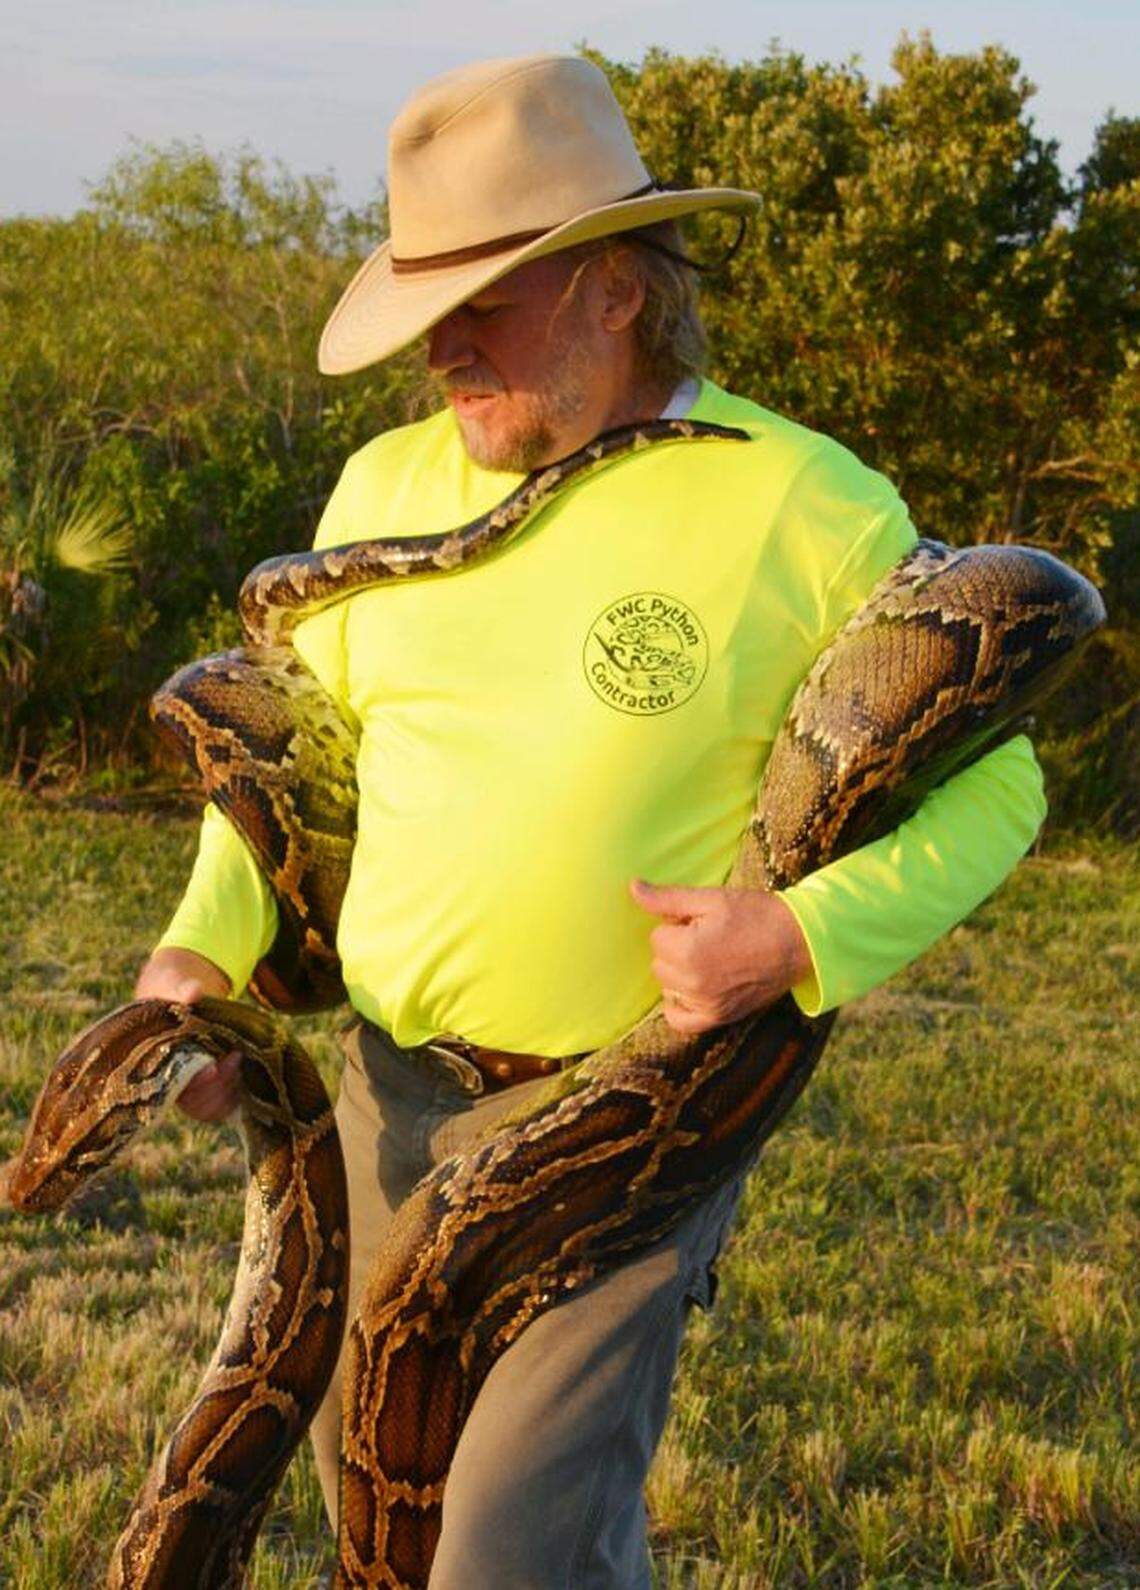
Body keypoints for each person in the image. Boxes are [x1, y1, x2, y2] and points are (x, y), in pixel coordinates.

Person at [135, 53, 1046, 1588]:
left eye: (487, 298)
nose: (446, 345)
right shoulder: (380, 491)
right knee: (393, 1533)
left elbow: (1000, 784)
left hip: (629, 1116)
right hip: (381, 1103)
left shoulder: (801, 501)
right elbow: (296, 772)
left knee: (510, 1553)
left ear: (616, 288)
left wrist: (798, 935)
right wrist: (194, 954)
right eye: (432, 306)